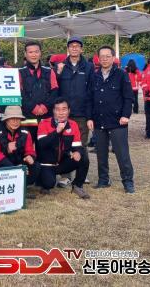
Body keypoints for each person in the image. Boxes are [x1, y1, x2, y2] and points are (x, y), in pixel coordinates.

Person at [89, 46, 134, 193]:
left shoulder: (121, 74)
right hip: (99, 120)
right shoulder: (94, 76)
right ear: (98, 58)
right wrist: (90, 117)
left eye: (107, 56)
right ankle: (103, 180)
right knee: (101, 153)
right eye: (102, 56)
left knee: (122, 153)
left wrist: (125, 115)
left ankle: (128, 181)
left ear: (113, 58)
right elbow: (89, 98)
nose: (104, 59)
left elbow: (128, 97)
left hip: (117, 121)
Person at [55, 36, 94, 187]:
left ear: (81, 49)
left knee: (81, 144)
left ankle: (82, 173)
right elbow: (55, 88)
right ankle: (65, 176)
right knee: (64, 145)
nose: (74, 48)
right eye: (72, 46)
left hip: (81, 113)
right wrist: (58, 73)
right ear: (68, 49)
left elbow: (91, 91)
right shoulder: (61, 66)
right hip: (64, 113)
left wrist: (89, 115)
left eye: (77, 46)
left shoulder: (88, 67)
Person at [37, 98, 90, 199]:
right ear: (53, 111)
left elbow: (77, 145)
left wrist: (77, 152)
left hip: (62, 163)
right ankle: (43, 180)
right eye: (57, 109)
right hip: (47, 164)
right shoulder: (44, 123)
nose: (61, 113)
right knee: (48, 184)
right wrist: (56, 132)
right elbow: (42, 144)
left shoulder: (73, 124)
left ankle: (77, 185)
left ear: (69, 111)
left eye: (64, 109)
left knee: (83, 157)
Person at [0, 105, 40, 193]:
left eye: (18, 119)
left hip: (19, 163)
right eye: (12, 119)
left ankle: (21, 188)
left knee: (35, 166)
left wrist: (30, 157)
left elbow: (30, 150)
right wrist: (6, 150)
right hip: (2, 165)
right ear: (6, 119)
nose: (15, 122)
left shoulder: (25, 132)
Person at [19, 41, 59, 143]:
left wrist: (45, 106)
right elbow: (19, 94)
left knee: (45, 145)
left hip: (46, 116)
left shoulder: (49, 71)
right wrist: (33, 107)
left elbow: (55, 92)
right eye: (30, 52)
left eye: (36, 52)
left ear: (40, 53)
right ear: (25, 54)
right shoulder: (19, 72)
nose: (34, 55)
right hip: (27, 117)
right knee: (27, 145)